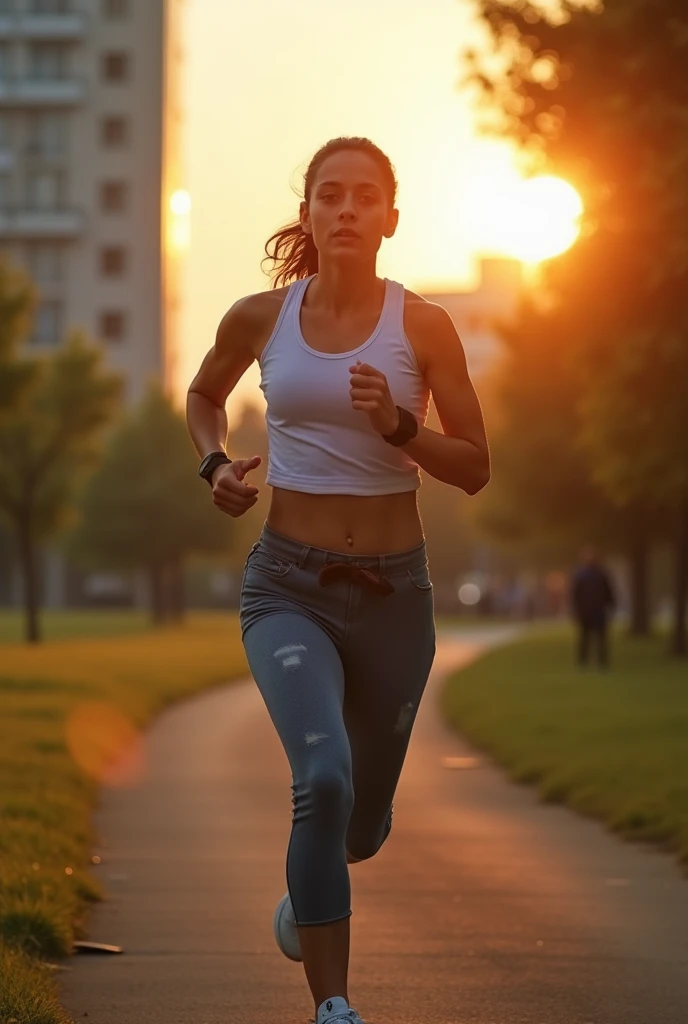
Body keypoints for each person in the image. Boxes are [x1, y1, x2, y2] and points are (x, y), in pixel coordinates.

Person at [186, 136, 490, 1024]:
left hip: (397, 596)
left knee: (361, 824)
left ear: (391, 218)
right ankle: (335, 1006)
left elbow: (474, 467)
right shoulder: (260, 318)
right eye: (331, 195)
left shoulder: (424, 327)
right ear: (310, 213)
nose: (348, 208)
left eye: (365, 196)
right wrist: (214, 469)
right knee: (322, 780)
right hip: (289, 586)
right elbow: (205, 398)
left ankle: (308, 892)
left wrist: (401, 427)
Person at [569, 545, 617, 669]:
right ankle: (584, 662)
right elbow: (575, 595)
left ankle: (600, 662)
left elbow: (608, 592)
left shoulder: (599, 574)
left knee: (599, 639)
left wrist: (610, 605)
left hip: (597, 611)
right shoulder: (584, 575)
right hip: (587, 612)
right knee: (586, 639)